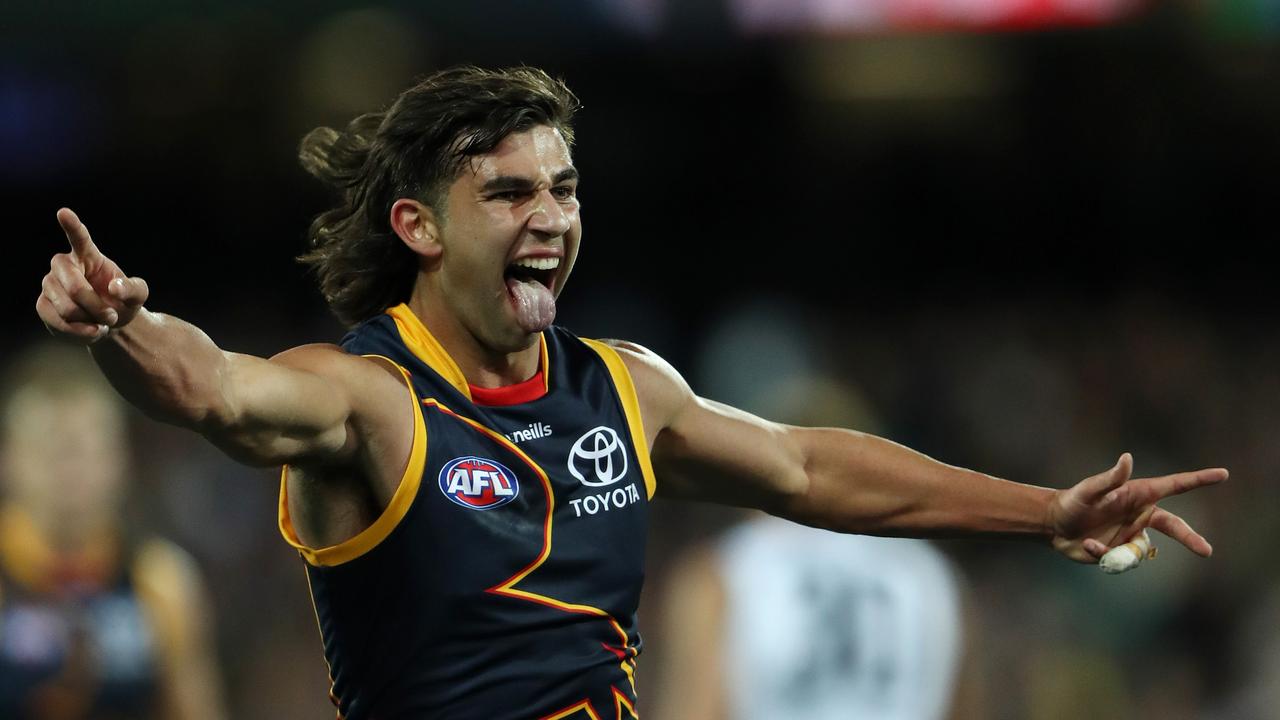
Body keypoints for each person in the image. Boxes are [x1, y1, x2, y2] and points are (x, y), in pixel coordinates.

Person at [35, 66, 1225, 720]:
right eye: (505, 194)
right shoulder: (367, 400)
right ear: (419, 226)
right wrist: (119, 328)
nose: (548, 216)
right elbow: (215, 394)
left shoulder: (623, 388)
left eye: (562, 187)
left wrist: (1046, 513)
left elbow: (808, 469)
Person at [0, 344, 227, 720]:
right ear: (8, 459)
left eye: (86, 448)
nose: (70, 470)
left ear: (120, 458)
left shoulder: (162, 582)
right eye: (51, 448)